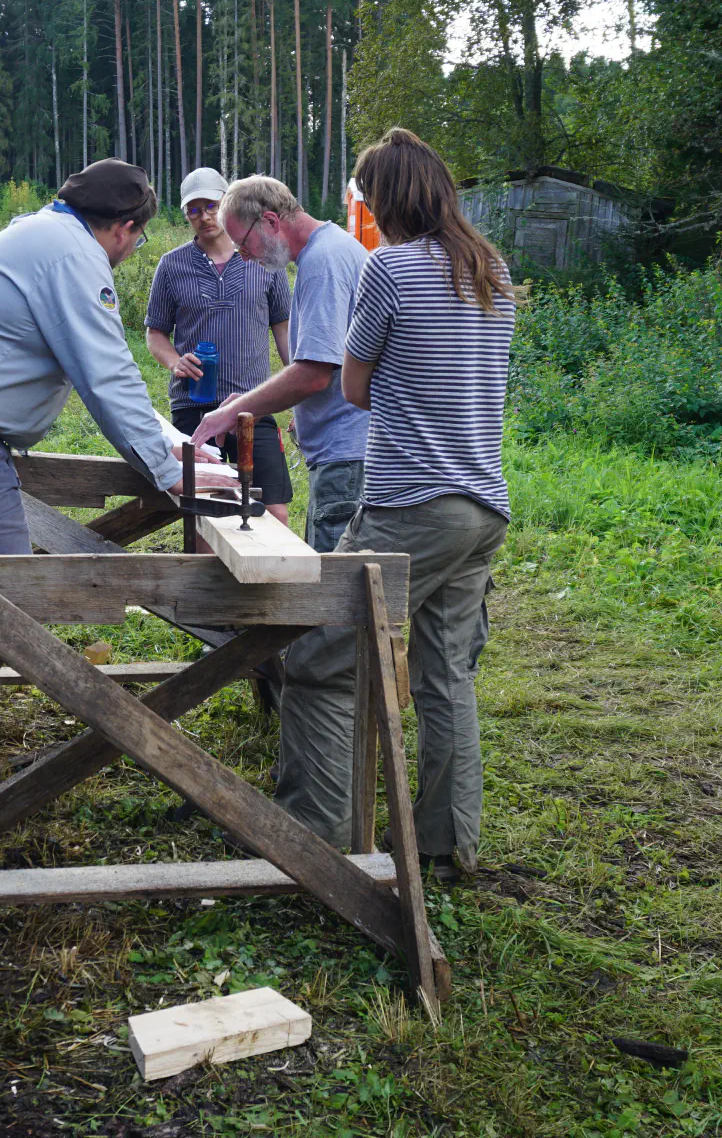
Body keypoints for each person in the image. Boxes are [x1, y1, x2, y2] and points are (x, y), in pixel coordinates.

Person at [0, 159, 201, 818]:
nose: (133, 254)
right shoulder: (73, 257)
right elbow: (106, 379)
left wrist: (169, 449)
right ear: (125, 229)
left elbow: (104, 377)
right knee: (7, 606)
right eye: (137, 241)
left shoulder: (42, 236)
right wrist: (177, 476)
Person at [277, 128, 517, 884]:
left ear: (385, 200)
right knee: (446, 677)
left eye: (368, 196)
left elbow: (352, 388)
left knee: (318, 658)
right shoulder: (493, 269)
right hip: (482, 505)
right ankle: (449, 847)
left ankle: (313, 839)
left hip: (410, 500)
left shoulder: (389, 268)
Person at [189, 175, 369, 556]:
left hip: (347, 454)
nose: (243, 255)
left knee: (335, 596)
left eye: (243, 242)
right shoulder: (324, 252)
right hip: (341, 453)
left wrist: (235, 411)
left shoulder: (324, 260)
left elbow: (313, 374)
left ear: (270, 221)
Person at [145, 168, 295, 528]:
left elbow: (284, 329)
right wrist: (175, 362)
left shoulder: (263, 259)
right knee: (204, 513)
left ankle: (270, 581)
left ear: (226, 204)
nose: (204, 216)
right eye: (193, 210)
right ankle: (209, 585)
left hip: (252, 405)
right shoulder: (172, 266)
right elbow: (155, 334)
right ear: (185, 215)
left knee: (273, 509)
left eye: (211, 205)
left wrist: (296, 397)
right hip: (193, 408)